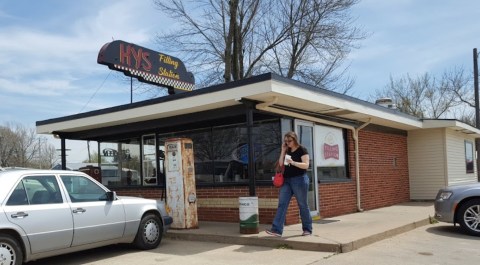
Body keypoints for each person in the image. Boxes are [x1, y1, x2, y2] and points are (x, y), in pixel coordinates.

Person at [266, 131, 313, 237]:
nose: (287, 143)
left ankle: (307, 229)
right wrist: (283, 150)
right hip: (286, 181)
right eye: (286, 141)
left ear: (295, 140)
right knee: (282, 204)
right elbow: (281, 164)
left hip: (299, 179)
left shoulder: (302, 149)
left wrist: (293, 162)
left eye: (289, 141)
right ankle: (276, 230)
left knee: (302, 205)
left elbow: (306, 165)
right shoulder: (287, 150)